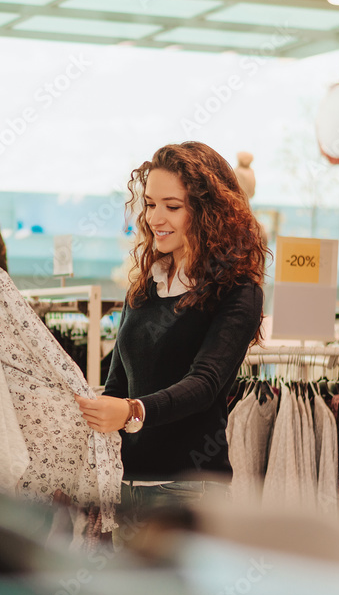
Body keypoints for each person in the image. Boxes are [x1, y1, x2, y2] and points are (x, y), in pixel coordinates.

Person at [75, 141, 267, 516]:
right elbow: (118, 384)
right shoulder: (147, 286)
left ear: (209, 210)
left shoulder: (238, 292)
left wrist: (132, 411)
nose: (154, 218)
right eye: (149, 204)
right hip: (125, 487)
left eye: (172, 207)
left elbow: (204, 384)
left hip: (190, 493)